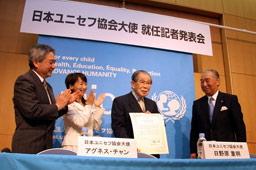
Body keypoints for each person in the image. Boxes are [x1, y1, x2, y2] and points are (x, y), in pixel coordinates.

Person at [12, 44, 79, 154]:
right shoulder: (24, 81)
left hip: (46, 145)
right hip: (28, 145)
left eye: (54, 62)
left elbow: (49, 113)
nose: (54, 66)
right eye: (50, 62)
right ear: (36, 62)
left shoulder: (48, 86)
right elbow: (32, 111)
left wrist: (65, 105)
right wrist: (57, 106)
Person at [190, 69, 246, 159]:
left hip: (227, 151)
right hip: (206, 151)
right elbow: (194, 130)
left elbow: (239, 127)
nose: (204, 84)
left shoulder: (230, 100)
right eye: (202, 81)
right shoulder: (198, 104)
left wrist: (243, 149)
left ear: (217, 82)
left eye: (207, 80)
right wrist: (193, 151)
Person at [111, 70, 160, 158]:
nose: (145, 86)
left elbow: (161, 127)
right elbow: (118, 128)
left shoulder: (152, 104)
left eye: (148, 83)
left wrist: (153, 120)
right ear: (133, 84)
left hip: (151, 153)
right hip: (131, 153)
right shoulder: (120, 101)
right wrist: (131, 146)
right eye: (142, 82)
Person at [62, 73, 105, 153]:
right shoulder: (67, 103)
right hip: (73, 146)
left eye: (85, 84)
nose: (84, 87)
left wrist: (97, 107)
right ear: (71, 86)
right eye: (81, 84)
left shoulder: (87, 102)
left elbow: (96, 126)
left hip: (88, 145)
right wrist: (89, 106)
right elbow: (80, 123)